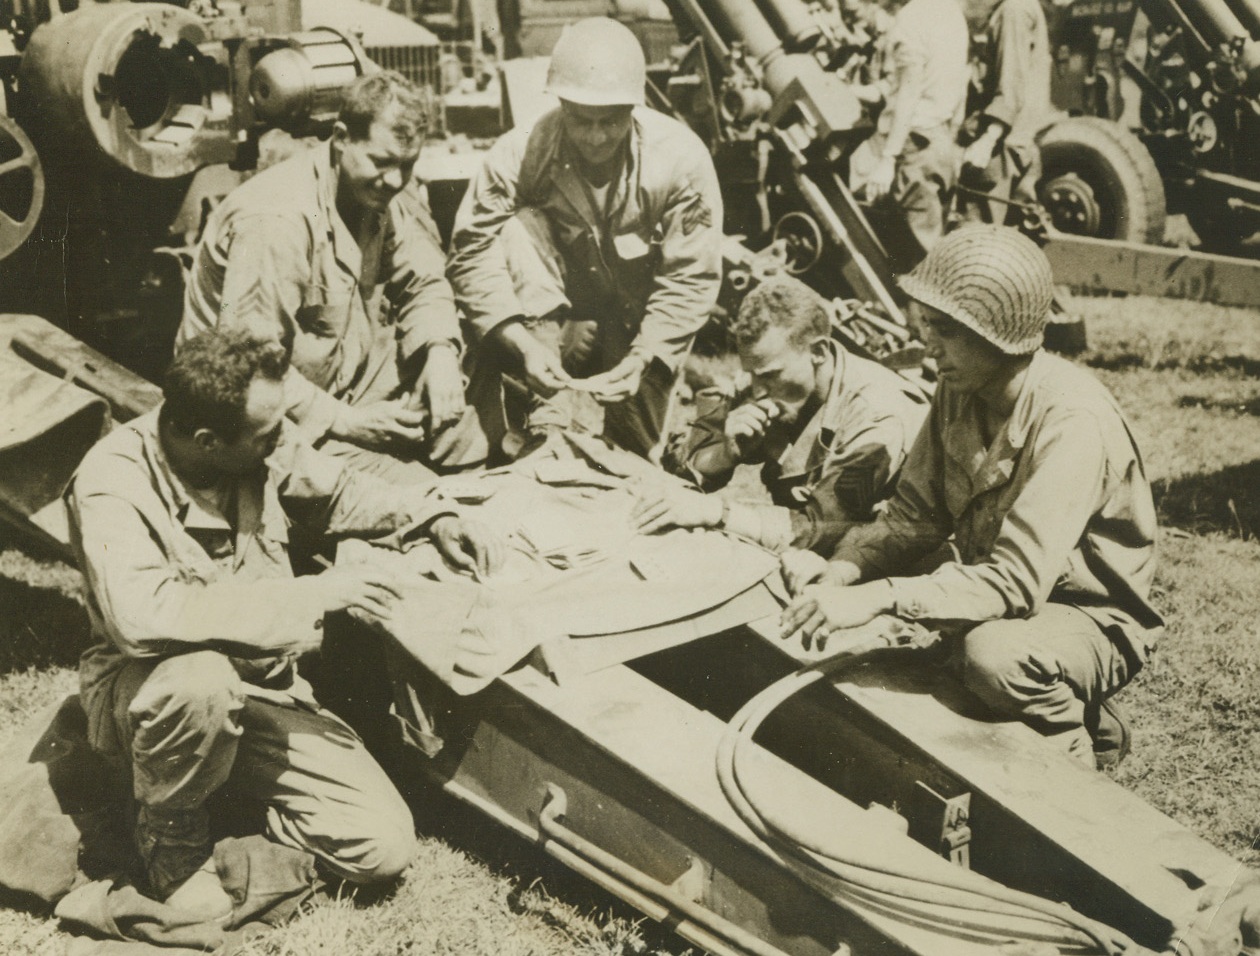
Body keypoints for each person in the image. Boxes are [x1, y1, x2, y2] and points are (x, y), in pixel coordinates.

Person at [66, 329, 503, 919]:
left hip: (262, 690)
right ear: (207, 441)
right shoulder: (111, 481)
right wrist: (316, 593)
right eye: (268, 433)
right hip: (149, 697)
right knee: (200, 681)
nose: (283, 442)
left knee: (382, 849)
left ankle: (217, 789)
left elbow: (339, 492)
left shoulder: (256, 443)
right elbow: (143, 618)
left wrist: (432, 515)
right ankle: (174, 847)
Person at [780, 225, 1163, 770]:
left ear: (997, 334)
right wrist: (843, 570)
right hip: (1001, 589)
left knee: (992, 658)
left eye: (944, 331)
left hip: (1088, 613)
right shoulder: (959, 390)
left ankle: (1075, 753)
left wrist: (881, 595)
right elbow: (913, 516)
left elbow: (1017, 581)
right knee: (923, 645)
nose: (928, 345)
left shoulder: (1072, 421)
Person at [179, 70, 486, 484]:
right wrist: (347, 421)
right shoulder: (276, 221)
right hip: (264, 415)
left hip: (346, 378)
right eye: (381, 161)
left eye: (407, 165)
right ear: (341, 138)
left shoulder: (381, 190)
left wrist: (439, 352)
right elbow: (251, 369)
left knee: (461, 425)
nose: (395, 180)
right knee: (414, 495)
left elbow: (424, 281)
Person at [447, 16, 723, 460]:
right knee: (515, 229)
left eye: (611, 121)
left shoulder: (680, 160)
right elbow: (471, 250)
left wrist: (645, 357)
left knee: (638, 458)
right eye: (580, 120)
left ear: (634, 108)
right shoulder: (521, 151)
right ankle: (541, 414)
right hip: (550, 313)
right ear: (559, 103)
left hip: (640, 316)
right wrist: (520, 343)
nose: (596, 137)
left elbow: (690, 277)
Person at [635, 277, 928, 554]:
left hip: (895, 562)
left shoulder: (876, 415)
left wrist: (717, 511)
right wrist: (723, 455)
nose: (757, 391)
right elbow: (674, 466)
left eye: (770, 376)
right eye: (751, 375)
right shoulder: (764, 379)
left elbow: (820, 530)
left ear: (819, 352)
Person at [849, 0, 971, 274]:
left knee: (916, 266)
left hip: (912, 146)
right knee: (928, 249)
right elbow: (957, 83)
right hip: (939, 142)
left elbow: (909, 91)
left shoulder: (913, 18)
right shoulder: (952, 15)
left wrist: (888, 158)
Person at [957, 0, 1055, 224]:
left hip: (1001, 146)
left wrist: (987, 140)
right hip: (1017, 140)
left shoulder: (1014, 10)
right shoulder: (1019, 7)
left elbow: (1010, 82)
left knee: (975, 239)